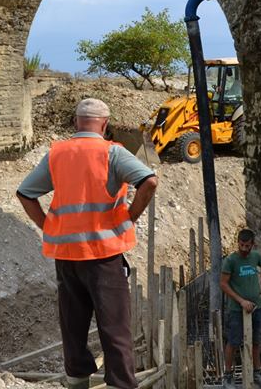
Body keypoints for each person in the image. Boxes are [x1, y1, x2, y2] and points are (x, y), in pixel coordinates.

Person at [17, 98, 158, 389]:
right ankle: (121, 383)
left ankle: (77, 381)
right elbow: (149, 181)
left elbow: (25, 193)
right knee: (115, 328)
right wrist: (130, 218)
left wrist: (48, 226)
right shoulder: (112, 153)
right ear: (105, 124)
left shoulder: (57, 153)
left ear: (76, 122)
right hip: (103, 256)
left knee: (73, 326)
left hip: (66, 256)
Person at [220, 228, 261, 388]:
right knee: (233, 341)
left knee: (256, 340)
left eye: (247, 246)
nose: (244, 248)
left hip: (256, 307)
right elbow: (223, 284)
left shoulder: (256, 256)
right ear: (238, 243)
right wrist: (241, 301)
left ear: (252, 244)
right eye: (241, 245)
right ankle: (228, 376)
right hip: (236, 309)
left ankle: (257, 373)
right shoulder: (231, 261)